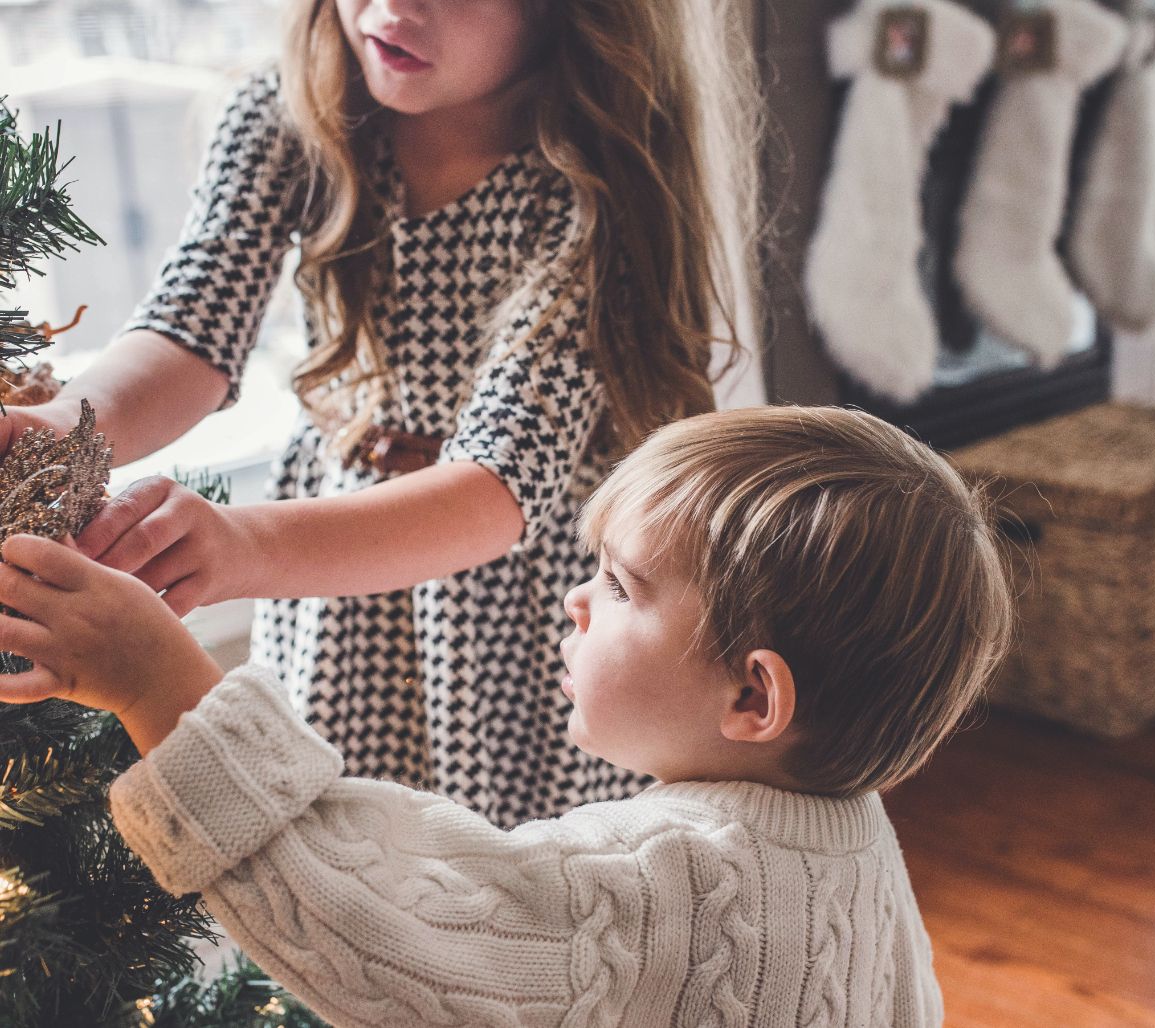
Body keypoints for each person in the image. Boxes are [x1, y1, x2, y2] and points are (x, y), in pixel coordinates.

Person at [0, 405, 1013, 1026]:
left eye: (619, 585)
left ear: (753, 695)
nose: (575, 599)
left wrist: (156, 683)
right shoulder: (856, 844)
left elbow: (379, 928)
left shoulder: (664, 879)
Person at [0, 0, 761, 824]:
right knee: (335, 866)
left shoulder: (588, 178)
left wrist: (237, 544)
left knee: (493, 881)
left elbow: (498, 484)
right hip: (332, 581)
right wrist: (65, 428)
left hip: (513, 602)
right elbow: (191, 330)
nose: (395, 7)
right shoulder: (286, 114)